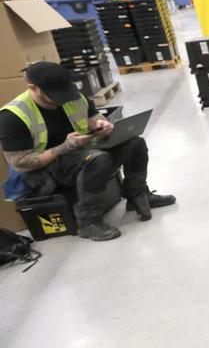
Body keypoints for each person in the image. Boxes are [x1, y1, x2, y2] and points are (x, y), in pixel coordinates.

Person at [0, 62, 175, 241]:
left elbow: (94, 119)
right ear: (33, 88)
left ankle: (137, 194)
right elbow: (21, 164)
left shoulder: (73, 97)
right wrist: (64, 147)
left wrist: (103, 126)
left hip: (79, 154)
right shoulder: (13, 116)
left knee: (134, 142)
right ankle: (88, 222)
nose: (62, 99)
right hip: (44, 173)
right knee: (96, 158)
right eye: (55, 95)